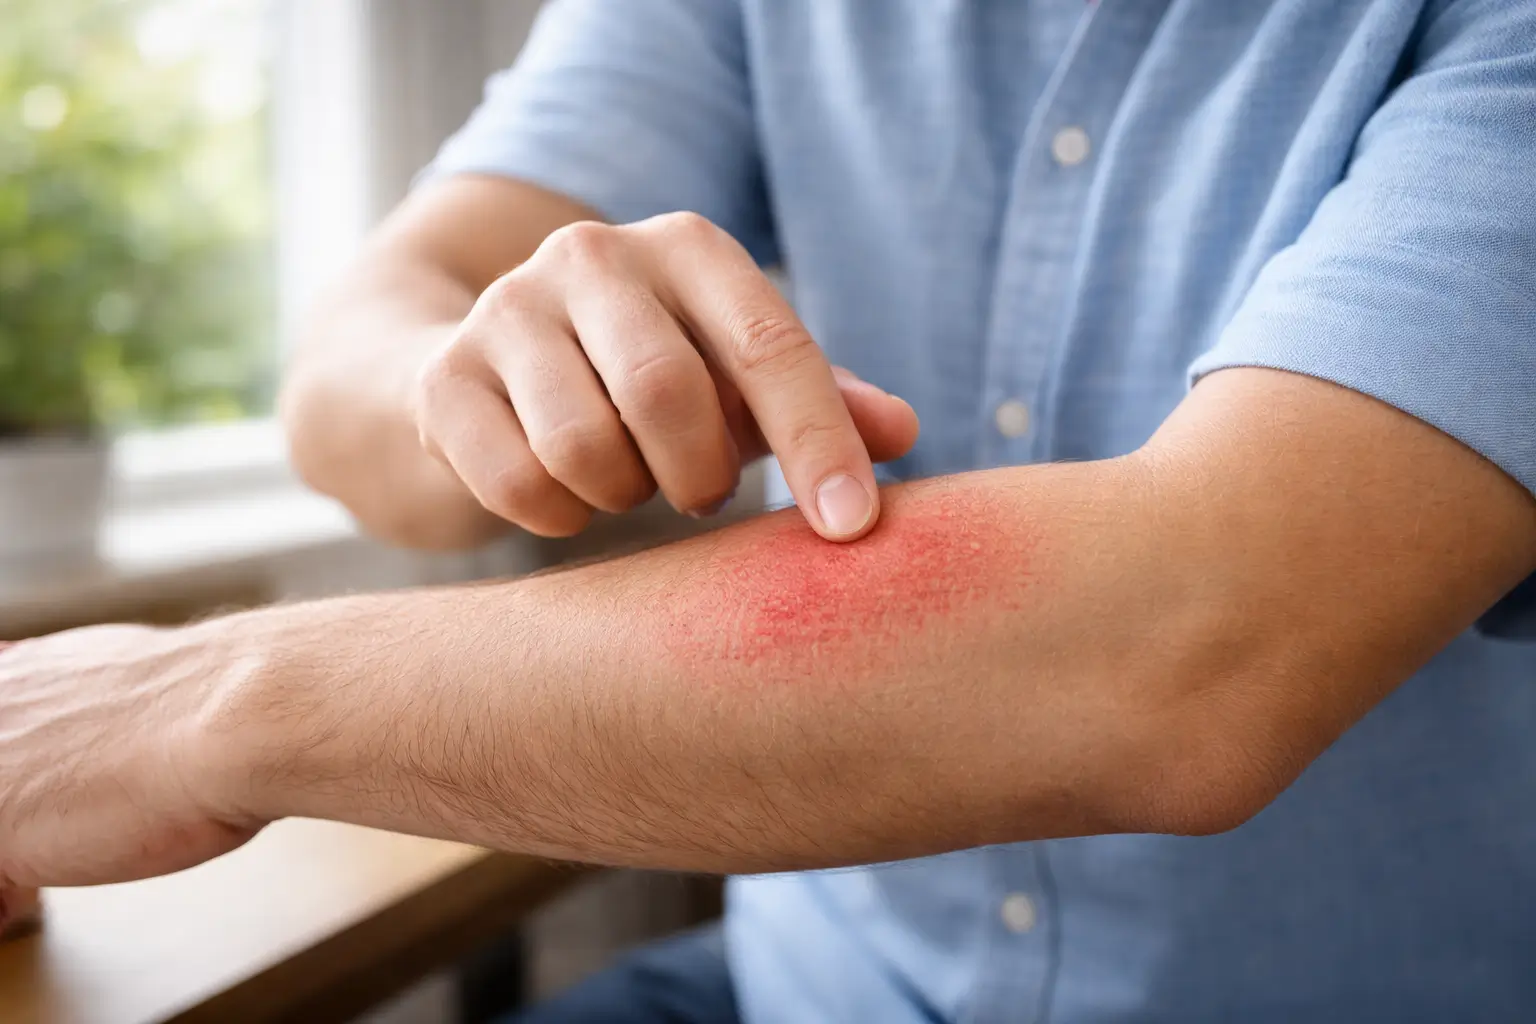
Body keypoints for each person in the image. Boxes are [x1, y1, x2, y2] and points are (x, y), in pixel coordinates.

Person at [3, 1, 1535, 1020]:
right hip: (811, 985)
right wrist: (477, 381)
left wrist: (201, 702)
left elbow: (1187, 654)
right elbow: (350, 366)